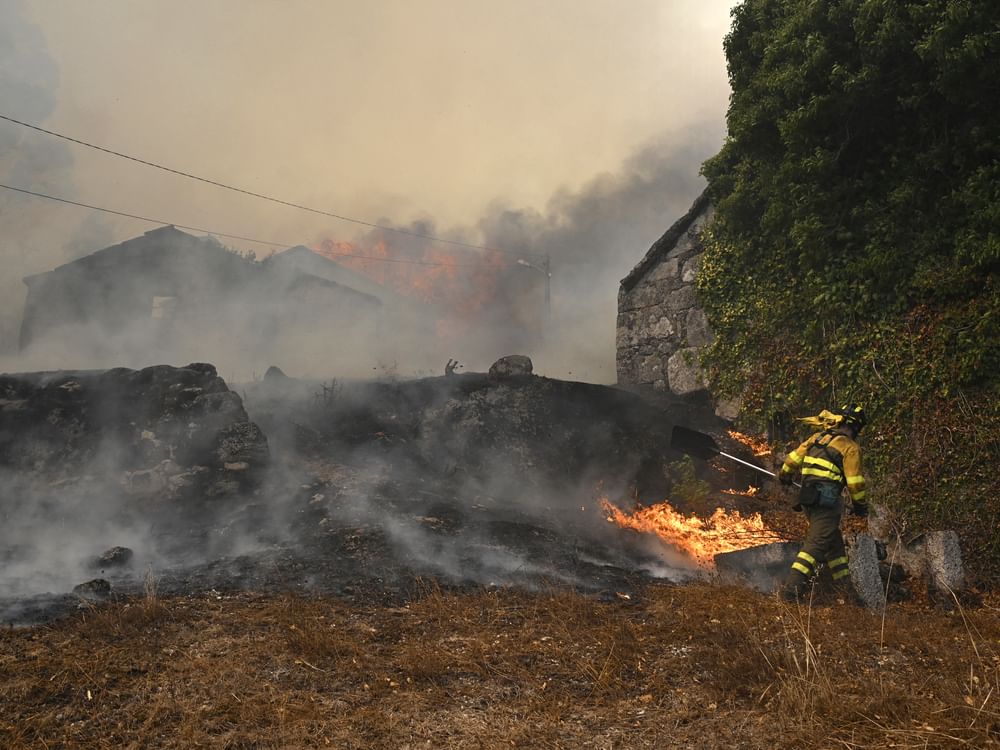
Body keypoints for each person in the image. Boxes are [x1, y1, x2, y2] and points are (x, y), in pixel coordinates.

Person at [776, 404, 868, 601]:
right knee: (815, 546)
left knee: (834, 545)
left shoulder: (817, 438)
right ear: (857, 428)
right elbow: (855, 483)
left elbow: (792, 459)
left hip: (808, 500)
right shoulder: (850, 448)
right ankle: (790, 592)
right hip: (827, 504)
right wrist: (860, 506)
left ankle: (847, 593)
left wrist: (785, 475)